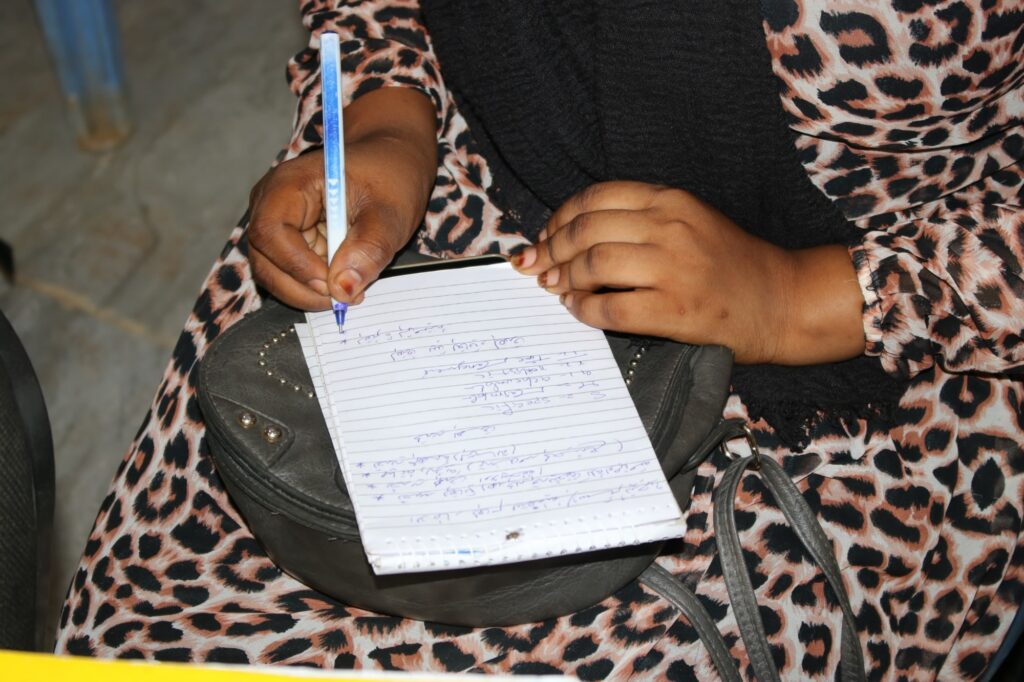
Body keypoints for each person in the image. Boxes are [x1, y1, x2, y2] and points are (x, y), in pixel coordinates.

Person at [55, 0, 1024, 678]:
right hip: (476, 179)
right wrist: (386, 119)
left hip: (899, 323)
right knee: (158, 622)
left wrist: (793, 299)